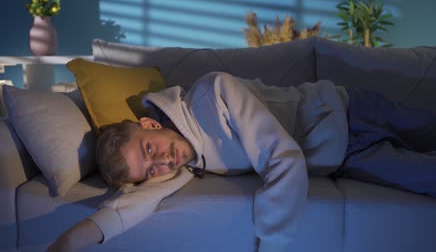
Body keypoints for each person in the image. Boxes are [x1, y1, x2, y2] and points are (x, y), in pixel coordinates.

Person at [48, 71, 436, 252]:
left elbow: (282, 156)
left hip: (350, 111)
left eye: (150, 150)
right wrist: (67, 241)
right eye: (151, 171)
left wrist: (270, 242)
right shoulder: (183, 162)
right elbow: (134, 204)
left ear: (149, 124)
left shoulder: (215, 91)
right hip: (345, 158)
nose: (163, 162)